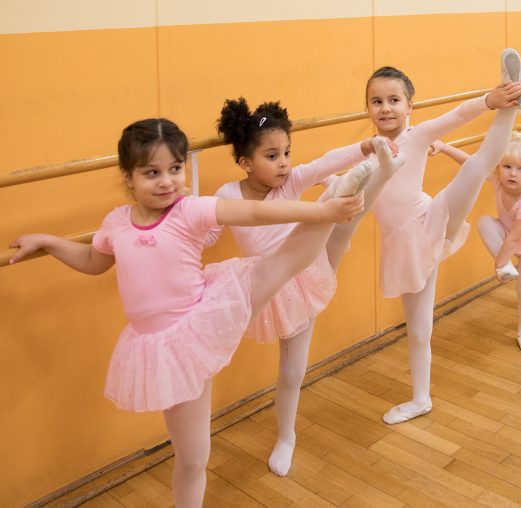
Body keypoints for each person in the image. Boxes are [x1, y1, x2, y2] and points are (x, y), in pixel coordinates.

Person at [8, 118, 367, 507]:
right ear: (128, 178)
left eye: (175, 169)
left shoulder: (189, 210)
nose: (166, 181)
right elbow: (93, 260)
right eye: (152, 173)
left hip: (205, 316)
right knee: (194, 457)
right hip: (165, 349)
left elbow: (254, 215)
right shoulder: (116, 223)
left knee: (283, 264)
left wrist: (321, 212)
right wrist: (48, 241)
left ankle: (341, 201)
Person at [213, 98, 403, 476]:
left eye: (286, 152)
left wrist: (363, 146)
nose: (283, 162)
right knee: (289, 372)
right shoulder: (226, 196)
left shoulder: (291, 182)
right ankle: (286, 436)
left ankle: (369, 173)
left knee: (333, 210)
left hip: (306, 269)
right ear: (246, 163)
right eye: (272, 155)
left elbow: (322, 163)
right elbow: (206, 230)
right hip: (268, 285)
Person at [363, 49, 521, 424]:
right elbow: (345, 181)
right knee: (419, 330)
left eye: (393, 100)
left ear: (409, 107)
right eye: (377, 101)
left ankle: (511, 99)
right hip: (403, 246)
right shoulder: (367, 155)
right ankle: (421, 399)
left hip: (430, 217)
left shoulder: (416, 135)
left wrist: (490, 100)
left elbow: (456, 116)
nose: (385, 108)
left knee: (478, 165)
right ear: (368, 108)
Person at [433, 132, 521, 353]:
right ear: (498, 167)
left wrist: (499, 265)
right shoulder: (499, 183)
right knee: (483, 222)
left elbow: (515, 238)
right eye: (507, 166)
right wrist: (443, 147)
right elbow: (471, 163)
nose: (512, 173)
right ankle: (508, 267)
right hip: (509, 232)